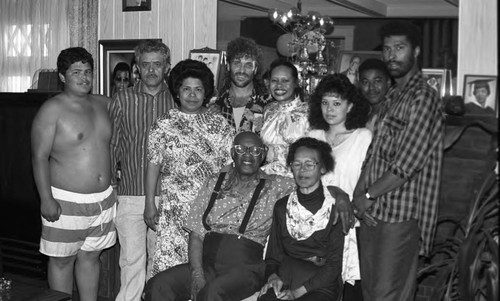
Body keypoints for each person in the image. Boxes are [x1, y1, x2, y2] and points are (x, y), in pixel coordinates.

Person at [144, 132, 353, 301]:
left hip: (246, 268)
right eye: (241, 149)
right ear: (232, 153)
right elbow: (197, 233)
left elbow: (310, 184)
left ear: (262, 156)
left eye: (255, 150)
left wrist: (341, 196)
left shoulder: (275, 185)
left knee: (213, 293)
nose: (247, 154)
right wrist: (197, 273)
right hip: (207, 263)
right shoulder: (214, 181)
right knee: (158, 286)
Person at [352, 21, 444, 301]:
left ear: (416, 51)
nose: (392, 55)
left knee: (387, 296)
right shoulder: (393, 96)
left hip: (400, 217)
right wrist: (358, 195)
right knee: (371, 294)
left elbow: (407, 164)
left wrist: (367, 194)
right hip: (372, 214)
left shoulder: (423, 97)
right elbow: (375, 153)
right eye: (388, 49)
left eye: (400, 48)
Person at [31, 47, 116, 301]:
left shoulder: (105, 104)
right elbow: (38, 157)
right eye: (76, 72)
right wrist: (46, 198)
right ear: (63, 76)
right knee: (60, 262)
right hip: (64, 201)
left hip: (102, 201)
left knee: (91, 257)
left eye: (88, 72)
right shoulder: (51, 110)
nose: (84, 77)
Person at [144, 59, 235, 276]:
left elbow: (229, 169)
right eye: (186, 89)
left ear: (206, 93)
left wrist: (223, 206)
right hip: (173, 210)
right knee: (170, 272)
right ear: (177, 92)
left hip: (209, 210)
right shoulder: (163, 123)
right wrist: (149, 203)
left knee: (205, 270)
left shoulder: (220, 125)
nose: (192, 95)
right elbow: (153, 164)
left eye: (198, 89)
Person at [109, 39, 175, 301]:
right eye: (145, 64)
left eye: (157, 65)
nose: (151, 70)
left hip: (168, 196)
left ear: (166, 67)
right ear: (137, 67)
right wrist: (111, 189)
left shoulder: (177, 100)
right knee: (131, 265)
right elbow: (112, 145)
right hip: (130, 194)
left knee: (161, 267)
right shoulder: (123, 99)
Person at [307, 74, 371, 300]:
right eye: (325, 103)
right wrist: (334, 192)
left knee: (351, 290)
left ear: (350, 106)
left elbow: (369, 182)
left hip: (350, 224)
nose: (329, 109)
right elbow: (303, 180)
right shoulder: (314, 135)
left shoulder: (363, 137)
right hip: (315, 224)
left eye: (336, 103)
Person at [258, 137, 345, 301]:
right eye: (297, 164)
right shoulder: (282, 206)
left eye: (310, 164)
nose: (302, 170)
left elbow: (334, 266)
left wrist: (297, 293)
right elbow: (273, 257)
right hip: (285, 275)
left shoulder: (334, 208)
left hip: (319, 282)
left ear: (323, 168)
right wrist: (272, 277)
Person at [261, 59, 309, 177]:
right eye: (274, 80)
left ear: (296, 83)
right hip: (267, 178)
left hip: (296, 179)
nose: (279, 85)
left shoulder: (309, 112)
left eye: (285, 80)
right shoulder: (268, 110)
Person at [214, 37, 271, 134]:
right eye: (236, 63)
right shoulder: (215, 104)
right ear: (228, 66)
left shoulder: (268, 104)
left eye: (248, 65)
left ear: (255, 69)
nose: (242, 70)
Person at [358, 58, 392, 131]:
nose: (371, 88)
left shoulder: (392, 114)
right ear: (359, 84)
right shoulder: (361, 112)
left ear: (388, 82)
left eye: (377, 81)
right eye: (365, 82)